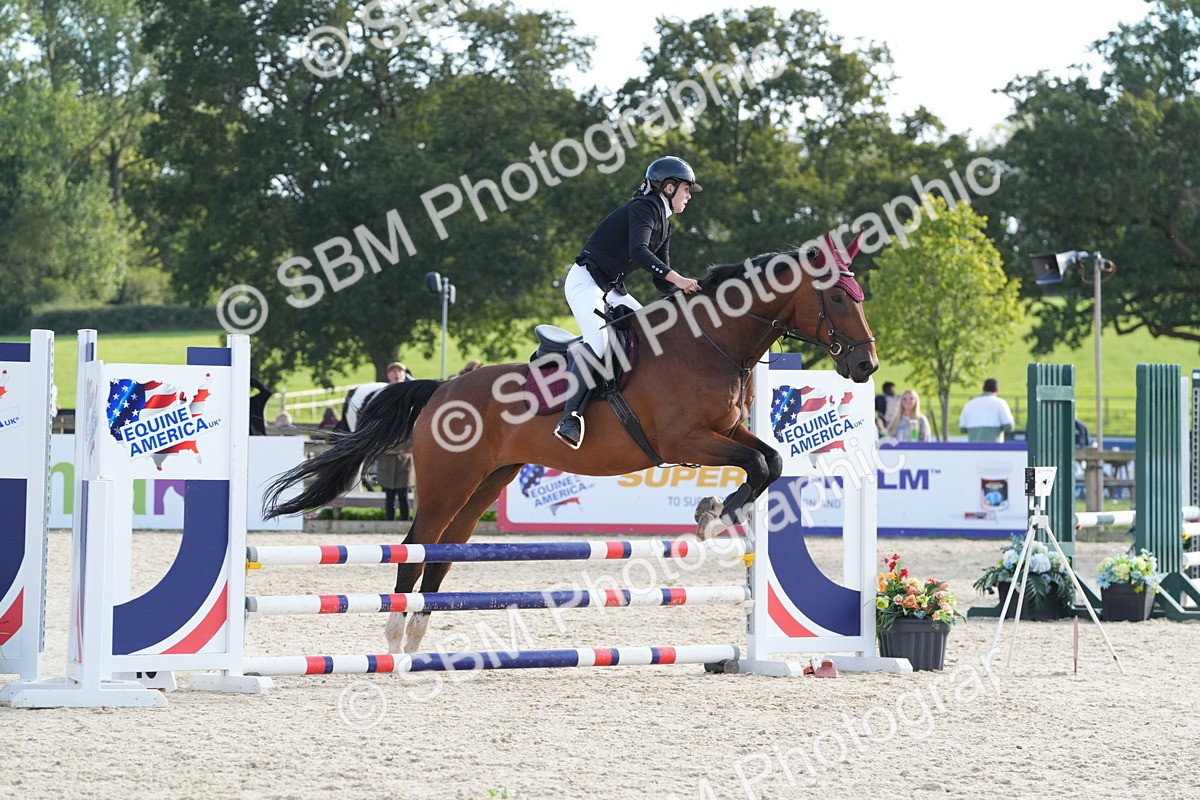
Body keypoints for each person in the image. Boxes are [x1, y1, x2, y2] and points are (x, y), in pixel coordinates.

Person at [554, 156, 704, 449]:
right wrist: (679, 279)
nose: (689, 196)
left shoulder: (665, 224)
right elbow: (639, 252)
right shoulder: (644, 207)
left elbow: (661, 279)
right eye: (687, 189)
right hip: (585, 283)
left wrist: (692, 293)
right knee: (598, 343)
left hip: (611, 288)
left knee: (651, 333)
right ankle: (569, 417)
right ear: (669, 187)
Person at [958, 378, 1015, 442]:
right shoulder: (1000, 403)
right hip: (994, 448)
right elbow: (1009, 426)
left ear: (983, 389)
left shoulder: (969, 404)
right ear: (997, 390)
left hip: (973, 448)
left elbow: (962, 429)